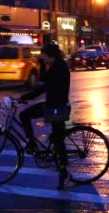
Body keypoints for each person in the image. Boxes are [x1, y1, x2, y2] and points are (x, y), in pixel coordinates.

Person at [18, 44, 71, 190]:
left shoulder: (58, 67)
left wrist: (25, 97)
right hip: (53, 105)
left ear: (50, 55)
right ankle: (33, 144)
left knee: (59, 141)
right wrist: (25, 97)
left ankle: (63, 173)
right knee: (26, 116)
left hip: (57, 108)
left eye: (44, 57)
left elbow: (42, 84)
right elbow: (43, 86)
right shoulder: (57, 66)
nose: (43, 60)